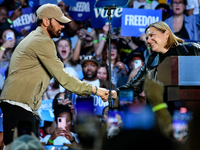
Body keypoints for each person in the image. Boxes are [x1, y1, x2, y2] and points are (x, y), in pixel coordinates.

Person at [0, 3, 111, 147]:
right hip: (19, 106)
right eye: (59, 22)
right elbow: (64, 78)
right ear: (46, 21)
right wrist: (96, 90)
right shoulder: (42, 40)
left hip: (20, 105)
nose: (62, 26)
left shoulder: (34, 38)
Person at [115, 21, 200, 110]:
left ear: (166, 34)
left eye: (151, 36)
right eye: (147, 38)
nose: (148, 40)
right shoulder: (151, 60)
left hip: (193, 108)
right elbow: (135, 86)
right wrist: (114, 93)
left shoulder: (193, 50)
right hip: (164, 112)